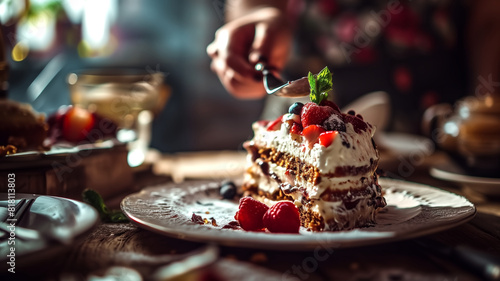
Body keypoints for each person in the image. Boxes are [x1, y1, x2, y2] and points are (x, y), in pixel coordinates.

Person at [207, 0, 500, 134]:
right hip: (307, 106)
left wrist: (484, 117)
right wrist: (260, 15)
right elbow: (252, 4)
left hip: (436, 117)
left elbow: (489, 21)